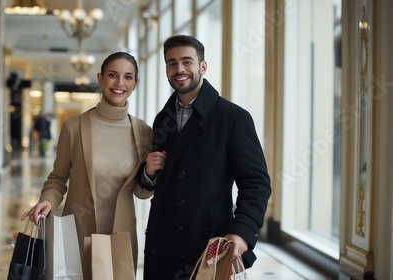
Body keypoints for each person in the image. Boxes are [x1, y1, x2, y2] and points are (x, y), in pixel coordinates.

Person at [136, 35, 272, 279]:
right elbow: (159, 179)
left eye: (187, 62)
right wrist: (148, 173)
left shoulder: (233, 118)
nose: (179, 69)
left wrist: (241, 232)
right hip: (163, 240)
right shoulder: (162, 119)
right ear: (166, 69)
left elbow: (256, 183)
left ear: (202, 66)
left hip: (207, 240)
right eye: (172, 63)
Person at [21, 52, 153, 279]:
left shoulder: (143, 132)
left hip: (121, 234)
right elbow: (58, 178)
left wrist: (150, 173)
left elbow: (141, 193)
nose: (120, 83)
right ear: (100, 79)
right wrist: (47, 200)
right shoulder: (74, 127)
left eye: (128, 77)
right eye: (113, 75)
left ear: (136, 83)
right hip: (79, 230)